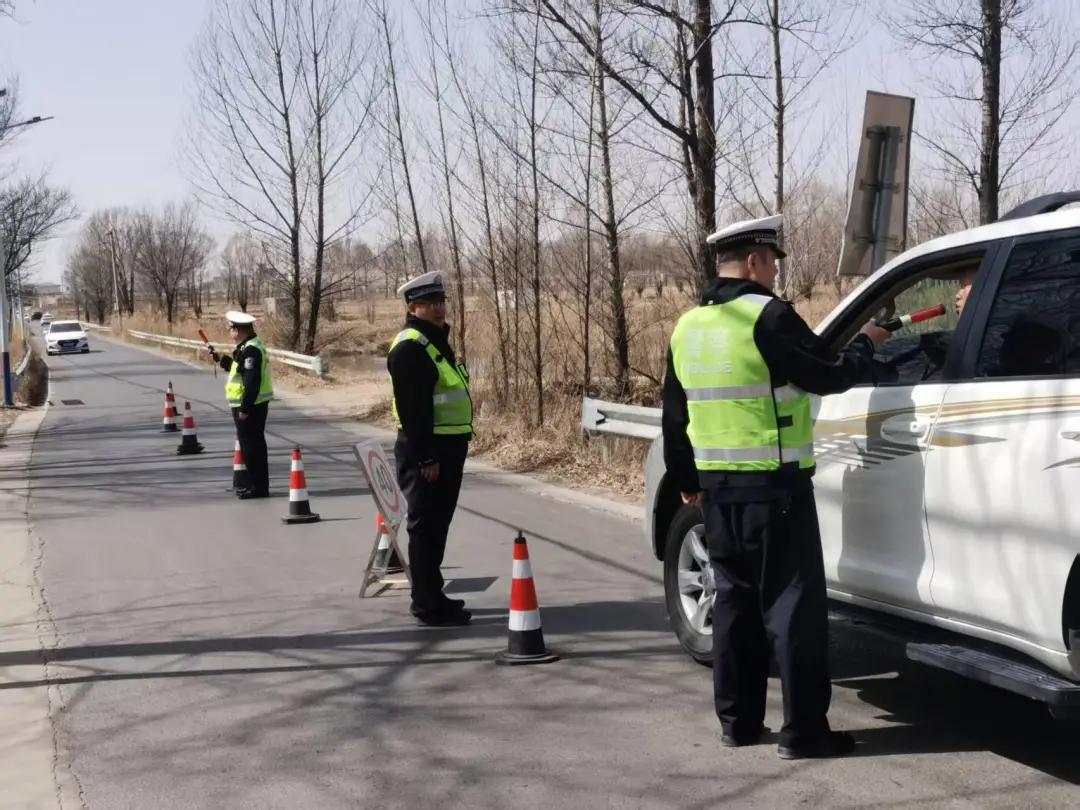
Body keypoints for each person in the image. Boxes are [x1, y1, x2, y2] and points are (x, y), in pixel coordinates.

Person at [662, 214, 890, 760]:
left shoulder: (687, 326)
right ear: (755, 261)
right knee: (793, 611)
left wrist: (687, 481)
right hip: (776, 491)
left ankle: (738, 723)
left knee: (734, 605)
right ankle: (804, 732)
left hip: (718, 494)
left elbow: (675, 413)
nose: (774, 274)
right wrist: (867, 345)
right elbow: (826, 373)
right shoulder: (767, 316)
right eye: (772, 264)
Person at [387, 271, 473, 627]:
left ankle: (433, 594)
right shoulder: (411, 347)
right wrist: (426, 456)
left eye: (440, 302)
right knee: (425, 527)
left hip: (447, 446)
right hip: (428, 450)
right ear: (412, 307)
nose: (438, 309)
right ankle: (426, 603)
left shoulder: (433, 340)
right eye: (429, 303)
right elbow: (413, 409)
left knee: (437, 526)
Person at [208, 312, 273, 499]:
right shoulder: (248, 346)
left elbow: (251, 382)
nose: (229, 332)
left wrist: (245, 408)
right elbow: (240, 370)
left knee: (252, 448)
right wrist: (222, 359)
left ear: (238, 330)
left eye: (231, 328)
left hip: (250, 406)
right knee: (252, 446)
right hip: (252, 404)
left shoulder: (251, 350)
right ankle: (255, 485)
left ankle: (258, 487)